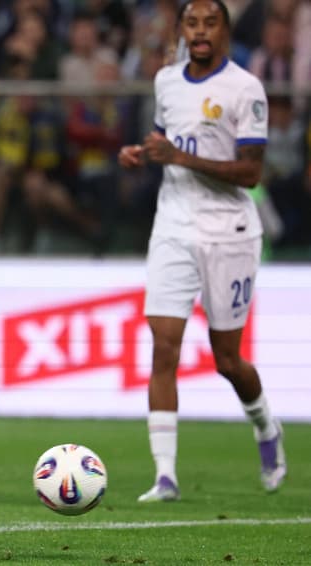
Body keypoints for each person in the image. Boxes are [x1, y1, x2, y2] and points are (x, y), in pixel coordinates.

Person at [117, 0, 286, 503]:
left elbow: (251, 172)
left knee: (227, 360)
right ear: (183, 31)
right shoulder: (167, 82)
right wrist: (143, 153)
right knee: (164, 346)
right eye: (192, 23)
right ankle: (165, 477)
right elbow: (167, 140)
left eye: (210, 22)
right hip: (173, 225)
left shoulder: (245, 89)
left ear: (224, 31)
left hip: (230, 230)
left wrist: (178, 156)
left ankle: (265, 425)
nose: (201, 31)